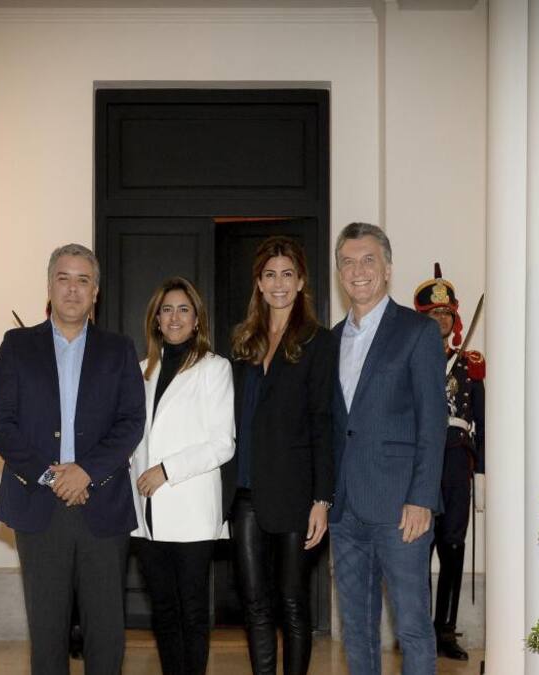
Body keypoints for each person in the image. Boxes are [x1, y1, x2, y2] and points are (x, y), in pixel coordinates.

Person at [0, 243, 146, 675]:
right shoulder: (17, 346)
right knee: (46, 633)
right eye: (64, 279)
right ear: (49, 287)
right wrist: (49, 476)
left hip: (103, 505)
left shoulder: (119, 349)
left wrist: (86, 472)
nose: (73, 289)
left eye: (83, 280)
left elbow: (132, 421)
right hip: (38, 507)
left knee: (106, 634)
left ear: (95, 292)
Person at [329, 222, 446, 675]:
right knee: (356, 629)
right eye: (348, 262)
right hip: (345, 511)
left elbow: (433, 422)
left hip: (401, 509)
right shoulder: (331, 339)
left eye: (368, 260)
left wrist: (422, 498)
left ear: (388, 268)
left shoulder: (417, 332)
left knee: (412, 628)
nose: (357, 271)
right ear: (339, 272)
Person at [221, 236, 336, 675]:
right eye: (270, 275)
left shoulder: (318, 342)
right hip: (245, 491)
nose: (279, 283)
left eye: (287, 274)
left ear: (301, 281)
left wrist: (322, 499)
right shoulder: (243, 341)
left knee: (291, 601)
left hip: (295, 493)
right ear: (259, 283)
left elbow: (323, 421)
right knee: (254, 603)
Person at [130, 276, 235, 675]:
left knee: (191, 611)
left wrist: (166, 470)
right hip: (146, 513)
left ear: (197, 320)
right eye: (167, 310)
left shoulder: (215, 368)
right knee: (163, 611)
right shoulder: (141, 370)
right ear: (156, 319)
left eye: (183, 310)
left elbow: (222, 443)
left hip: (191, 511)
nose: (174, 318)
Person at [412, 264, 484, 661]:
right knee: (418, 545)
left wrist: (482, 472)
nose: (440, 319)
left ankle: (445, 630)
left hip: (456, 458)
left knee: (453, 544)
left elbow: (482, 421)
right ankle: (418, 628)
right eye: (433, 313)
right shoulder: (410, 360)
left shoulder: (469, 364)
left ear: (454, 319)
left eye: (446, 313)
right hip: (421, 459)